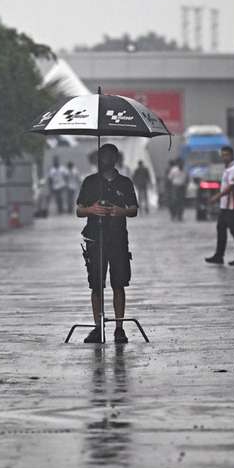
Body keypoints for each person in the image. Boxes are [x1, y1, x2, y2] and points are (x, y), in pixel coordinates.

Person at [76, 143, 139, 344]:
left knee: (118, 284)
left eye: (111, 155)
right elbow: (79, 210)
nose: (107, 159)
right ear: (98, 158)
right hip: (95, 238)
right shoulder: (90, 182)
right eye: (103, 155)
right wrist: (92, 210)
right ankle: (97, 327)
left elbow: (134, 209)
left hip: (118, 239)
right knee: (96, 285)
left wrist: (121, 211)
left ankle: (119, 328)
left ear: (116, 158)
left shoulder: (125, 183)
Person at [205, 146, 234, 267]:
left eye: (226, 155)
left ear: (231, 155)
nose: (224, 157)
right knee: (221, 229)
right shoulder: (227, 169)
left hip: (232, 206)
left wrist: (216, 197)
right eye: (222, 155)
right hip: (224, 206)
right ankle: (219, 255)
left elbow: (230, 187)